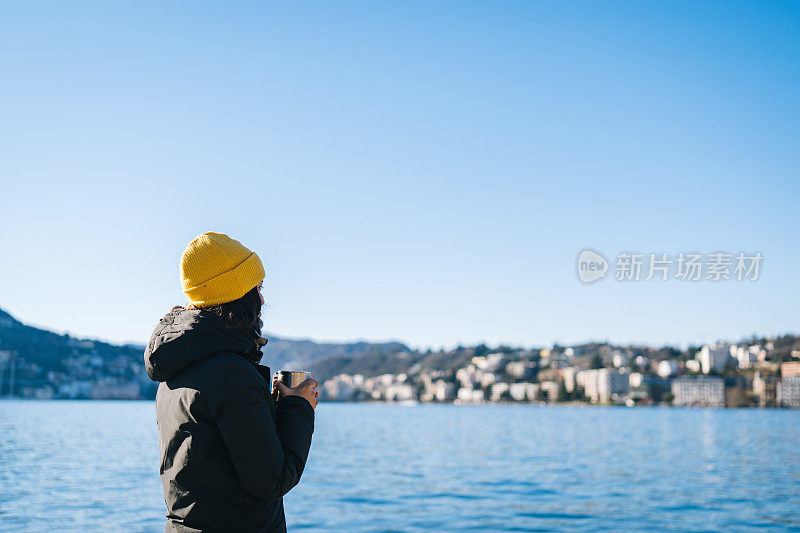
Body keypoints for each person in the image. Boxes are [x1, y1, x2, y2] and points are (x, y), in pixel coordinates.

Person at [144, 231, 318, 532]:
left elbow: (212, 466)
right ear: (238, 296)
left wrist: (270, 408)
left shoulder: (176, 367)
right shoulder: (231, 374)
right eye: (258, 288)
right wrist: (298, 407)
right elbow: (272, 480)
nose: (262, 299)